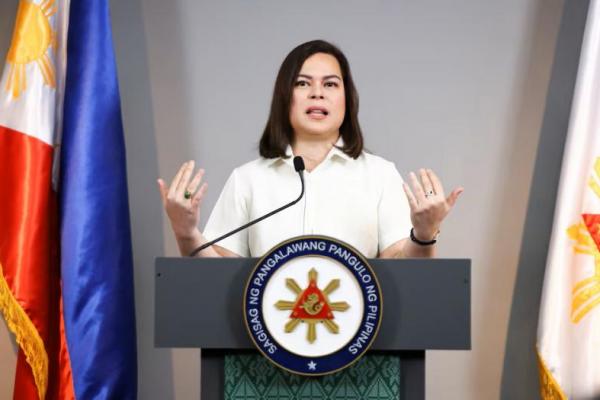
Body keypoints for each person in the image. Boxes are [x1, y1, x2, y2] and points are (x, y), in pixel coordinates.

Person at [157, 39, 463, 398]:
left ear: (347, 100)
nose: (317, 93)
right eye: (303, 83)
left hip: (361, 372)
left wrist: (424, 233)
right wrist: (186, 231)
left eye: (330, 84)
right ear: (284, 97)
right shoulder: (249, 178)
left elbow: (407, 276)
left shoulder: (379, 175)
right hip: (259, 372)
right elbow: (217, 280)